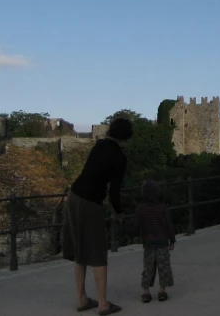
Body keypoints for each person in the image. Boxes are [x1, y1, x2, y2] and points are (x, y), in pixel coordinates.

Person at [62, 117, 132, 315]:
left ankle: (81, 299)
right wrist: (119, 212)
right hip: (90, 201)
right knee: (98, 252)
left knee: (79, 249)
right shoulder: (120, 157)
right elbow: (114, 191)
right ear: (127, 135)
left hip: (74, 195)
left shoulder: (99, 145)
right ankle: (103, 304)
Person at [130, 179, 176, 303]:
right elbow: (168, 226)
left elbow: (135, 225)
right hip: (162, 241)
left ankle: (146, 292)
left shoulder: (141, 209)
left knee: (148, 267)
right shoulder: (162, 208)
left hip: (148, 242)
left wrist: (138, 233)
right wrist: (172, 239)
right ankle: (161, 291)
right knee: (164, 266)